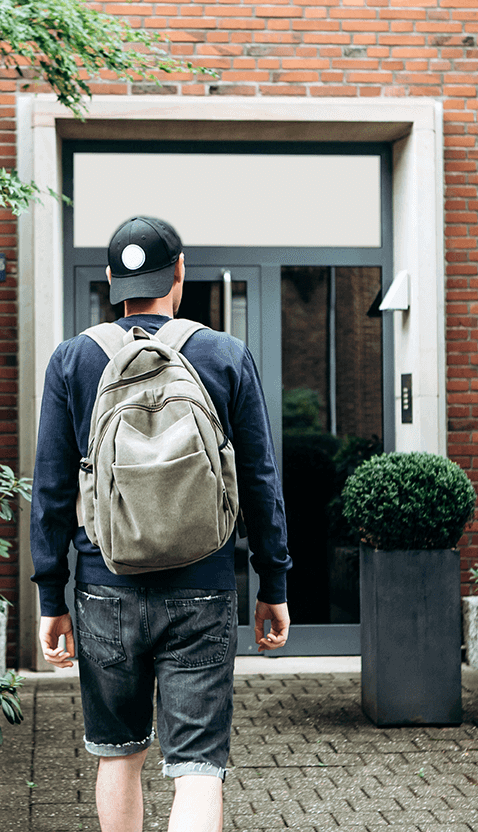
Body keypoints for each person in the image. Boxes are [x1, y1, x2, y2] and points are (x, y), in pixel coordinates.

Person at [30, 215, 292, 832]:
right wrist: (272, 585)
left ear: (110, 281)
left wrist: (51, 595)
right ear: (180, 272)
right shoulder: (224, 354)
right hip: (202, 585)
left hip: (104, 585)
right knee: (198, 767)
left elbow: (51, 489)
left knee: (118, 755)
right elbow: (259, 482)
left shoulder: (73, 360)